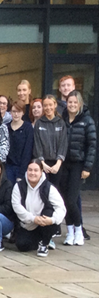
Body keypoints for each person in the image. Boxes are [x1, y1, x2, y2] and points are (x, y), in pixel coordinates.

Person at [60, 91, 96, 246]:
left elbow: (92, 145)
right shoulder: (63, 119)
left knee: (71, 199)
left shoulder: (87, 121)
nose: (72, 105)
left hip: (78, 164)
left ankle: (79, 230)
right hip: (63, 164)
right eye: (70, 102)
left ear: (80, 104)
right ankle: (69, 232)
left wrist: (87, 166)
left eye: (75, 102)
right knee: (63, 200)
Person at [12, 160, 66, 257]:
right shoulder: (19, 186)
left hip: (45, 222)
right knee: (22, 245)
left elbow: (61, 207)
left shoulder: (49, 187)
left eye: (36, 170)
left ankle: (44, 243)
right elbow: (16, 206)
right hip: (29, 224)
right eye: (30, 170)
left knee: (50, 212)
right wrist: (33, 218)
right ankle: (40, 240)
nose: (32, 173)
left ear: (41, 172)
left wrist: (52, 220)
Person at [32, 95, 67, 186]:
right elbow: (37, 144)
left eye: (50, 105)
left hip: (57, 164)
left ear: (55, 105)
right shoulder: (39, 123)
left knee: (55, 192)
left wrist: (58, 163)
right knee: (43, 191)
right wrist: (42, 163)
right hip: (43, 164)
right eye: (45, 105)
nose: (48, 108)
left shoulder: (61, 123)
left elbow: (63, 144)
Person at [6, 101, 34, 183]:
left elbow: (28, 150)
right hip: (8, 167)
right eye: (13, 111)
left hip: (22, 167)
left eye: (18, 112)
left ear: (23, 113)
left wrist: (21, 173)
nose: (16, 114)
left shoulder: (28, 128)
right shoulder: (6, 127)